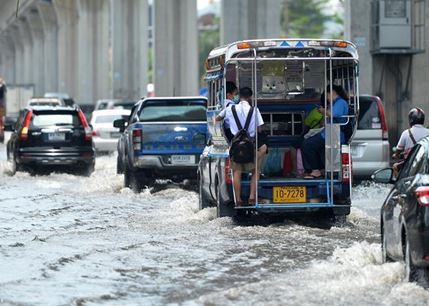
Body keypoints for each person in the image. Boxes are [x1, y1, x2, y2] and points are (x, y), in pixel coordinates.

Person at [217, 87, 267, 206]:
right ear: (250, 97)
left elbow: (217, 119)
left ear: (238, 96)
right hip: (250, 145)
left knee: (237, 171)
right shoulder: (254, 110)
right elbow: (260, 128)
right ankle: (251, 197)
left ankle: (238, 199)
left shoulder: (230, 108)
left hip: (236, 145)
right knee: (255, 170)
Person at [301, 85, 349, 179]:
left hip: (333, 133)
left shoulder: (340, 102)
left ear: (332, 93)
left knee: (307, 144)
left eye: (327, 95)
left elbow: (332, 114)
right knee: (313, 143)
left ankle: (315, 170)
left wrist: (323, 111)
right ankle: (320, 169)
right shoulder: (334, 103)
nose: (326, 98)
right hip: (328, 132)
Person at [393, 108, 429, 173]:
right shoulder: (428, 132)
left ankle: (398, 182)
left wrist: (395, 155)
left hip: (410, 165)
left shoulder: (406, 133)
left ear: (411, 120)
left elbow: (398, 151)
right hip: (426, 163)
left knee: (395, 166)